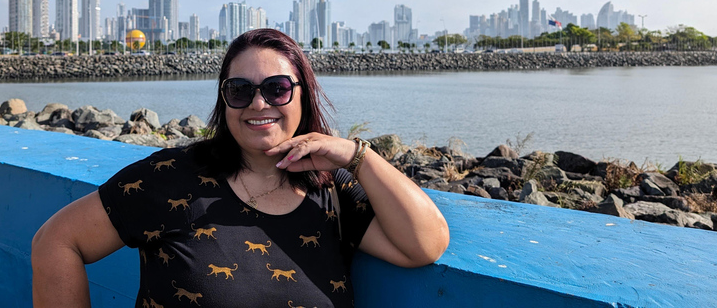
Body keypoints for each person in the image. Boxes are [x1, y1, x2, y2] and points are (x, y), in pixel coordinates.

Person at [32, 29, 449, 307]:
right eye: (240, 90)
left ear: (303, 95)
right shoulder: (170, 177)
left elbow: (425, 244)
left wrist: (357, 156)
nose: (258, 104)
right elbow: (56, 241)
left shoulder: (330, 190)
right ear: (223, 100)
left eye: (277, 88)